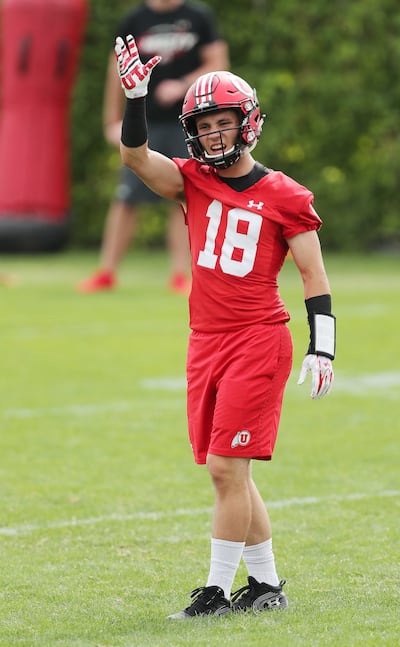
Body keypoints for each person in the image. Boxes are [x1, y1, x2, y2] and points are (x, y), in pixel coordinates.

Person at [115, 35, 336, 618]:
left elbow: (313, 274)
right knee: (230, 471)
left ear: (249, 124)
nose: (213, 134)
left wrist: (324, 349)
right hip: (205, 341)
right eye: (204, 125)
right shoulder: (191, 179)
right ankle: (265, 587)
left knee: (223, 470)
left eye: (223, 123)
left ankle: (215, 591)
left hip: (259, 339)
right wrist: (136, 100)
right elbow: (136, 158)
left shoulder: (285, 194)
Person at [77, 0, 229, 294]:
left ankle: (180, 275)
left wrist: (182, 84)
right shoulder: (135, 19)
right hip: (142, 125)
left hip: (188, 124)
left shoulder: (197, 16)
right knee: (126, 199)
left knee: (184, 197)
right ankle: (106, 272)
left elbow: (219, 63)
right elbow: (116, 70)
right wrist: (112, 120)